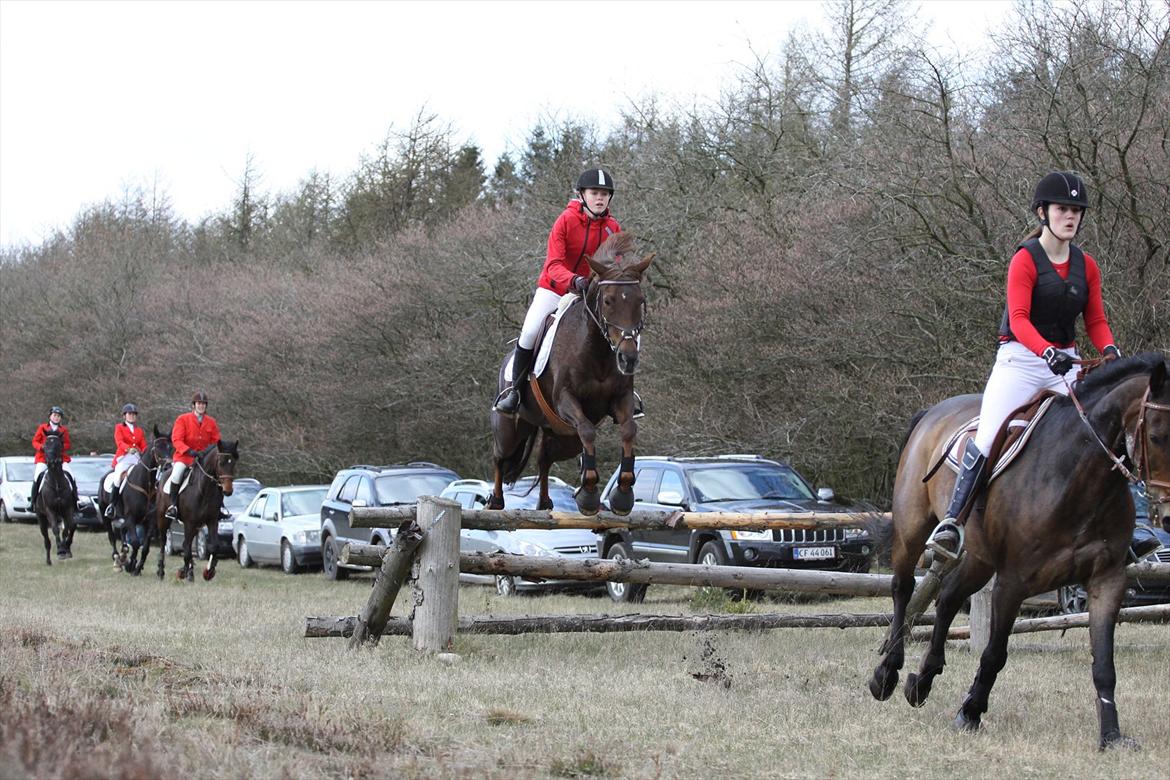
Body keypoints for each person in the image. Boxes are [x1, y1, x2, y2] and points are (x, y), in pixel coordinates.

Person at [926, 171, 1121, 560]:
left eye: (1077, 210)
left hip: (1065, 364)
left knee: (1104, 434)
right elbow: (1018, 319)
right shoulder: (1025, 259)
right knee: (988, 435)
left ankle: (1120, 531)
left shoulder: (1087, 266)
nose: (1071, 216)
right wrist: (1046, 352)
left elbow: (1096, 321)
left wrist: (1111, 350)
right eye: (1063, 209)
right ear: (1042, 212)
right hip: (1020, 362)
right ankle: (952, 522)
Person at [493, 168, 642, 417]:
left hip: (592, 294)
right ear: (582, 195)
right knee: (530, 331)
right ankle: (514, 392)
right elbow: (553, 265)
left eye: (605, 194)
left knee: (627, 329)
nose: (600, 198)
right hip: (556, 289)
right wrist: (574, 280)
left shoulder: (612, 227)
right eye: (594, 193)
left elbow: (614, 268)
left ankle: (628, 392)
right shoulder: (565, 221)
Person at [163, 391, 230, 521]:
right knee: (176, 474)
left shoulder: (211, 422)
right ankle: (173, 505)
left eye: (203, 404)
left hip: (204, 459)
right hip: (184, 458)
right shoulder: (182, 419)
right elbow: (176, 440)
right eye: (199, 403)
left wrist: (207, 452)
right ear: (194, 405)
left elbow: (216, 442)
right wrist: (189, 451)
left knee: (218, 477)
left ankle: (220, 507)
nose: (201, 406)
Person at [29, 405, 78, 507]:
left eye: (58, 416)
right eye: (54, 415)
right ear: (50, 416)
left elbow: (68, 444)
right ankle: (33, 502)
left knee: (71, 476)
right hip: (44, 458)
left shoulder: (63, 430)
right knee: (37, 476)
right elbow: (35, 441)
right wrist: (42, 447)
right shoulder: (42, 427)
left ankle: (75, 501)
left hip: (60, 459)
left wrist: (59, 447)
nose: (56, 418)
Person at [105, 403, 147, 519]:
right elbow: (119, 442)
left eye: (134, 414)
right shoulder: (119, 427)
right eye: (130, 414)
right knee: (118, 477)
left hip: (136, 458)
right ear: (124, 416)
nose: (132, 416)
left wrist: (145, 452)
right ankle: (112, 505)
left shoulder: (139, 430)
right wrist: (128, 449)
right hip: (124, 457)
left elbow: (143, 445)